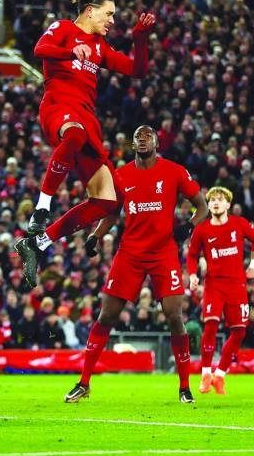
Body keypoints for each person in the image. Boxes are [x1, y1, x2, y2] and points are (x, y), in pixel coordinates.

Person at [16, 0, 156, 288]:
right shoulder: (65, 28)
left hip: (86, 117)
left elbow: (139, 71)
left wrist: (140, 38)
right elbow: (40, 48)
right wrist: (69, 53)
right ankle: (41, 210)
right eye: (109, 14)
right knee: (74, 136)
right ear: (90, 10)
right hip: (58, 105)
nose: (112, 21)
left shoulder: (100, 47)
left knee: (110, 201)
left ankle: (37, 244)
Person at [64, 125, 207, 404]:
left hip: (163, 252)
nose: (142, 141)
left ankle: (184, 387)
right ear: (133, 145)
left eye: (147, 137)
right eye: (137, 137)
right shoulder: (121, 176)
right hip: (129, 253)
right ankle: (83, 382)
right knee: (106, 315)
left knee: (174, 315)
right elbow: (111, 213)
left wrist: (187, 229)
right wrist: (95, 236)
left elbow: (201, 207)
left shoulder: (174, 171)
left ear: (156, 142)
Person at [186, 186, 254, 396]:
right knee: (210, 325)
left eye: (220, 200)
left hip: (237, 285)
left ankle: (220, 375)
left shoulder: (239, 224)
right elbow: (191, 255)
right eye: (212, 200)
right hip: (214, 285)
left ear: (228, 204)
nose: (215, 203)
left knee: (239, 331)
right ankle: (205, 373)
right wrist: (193, 275)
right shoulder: (202, 229)